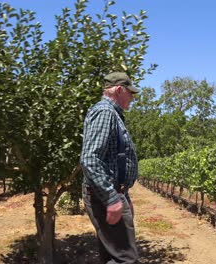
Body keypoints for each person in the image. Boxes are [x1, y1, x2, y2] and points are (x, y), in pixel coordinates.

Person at [80, 72, 140, 264]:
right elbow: (90, 158)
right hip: (104, 195)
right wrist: (112, 197)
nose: (132, 97)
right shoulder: (105, 112)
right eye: (130, 93)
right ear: (119, 90)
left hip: (112, 193)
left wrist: (123, 194)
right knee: (126, 259)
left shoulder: (112, 114)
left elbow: (115, 161)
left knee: (112, 256)